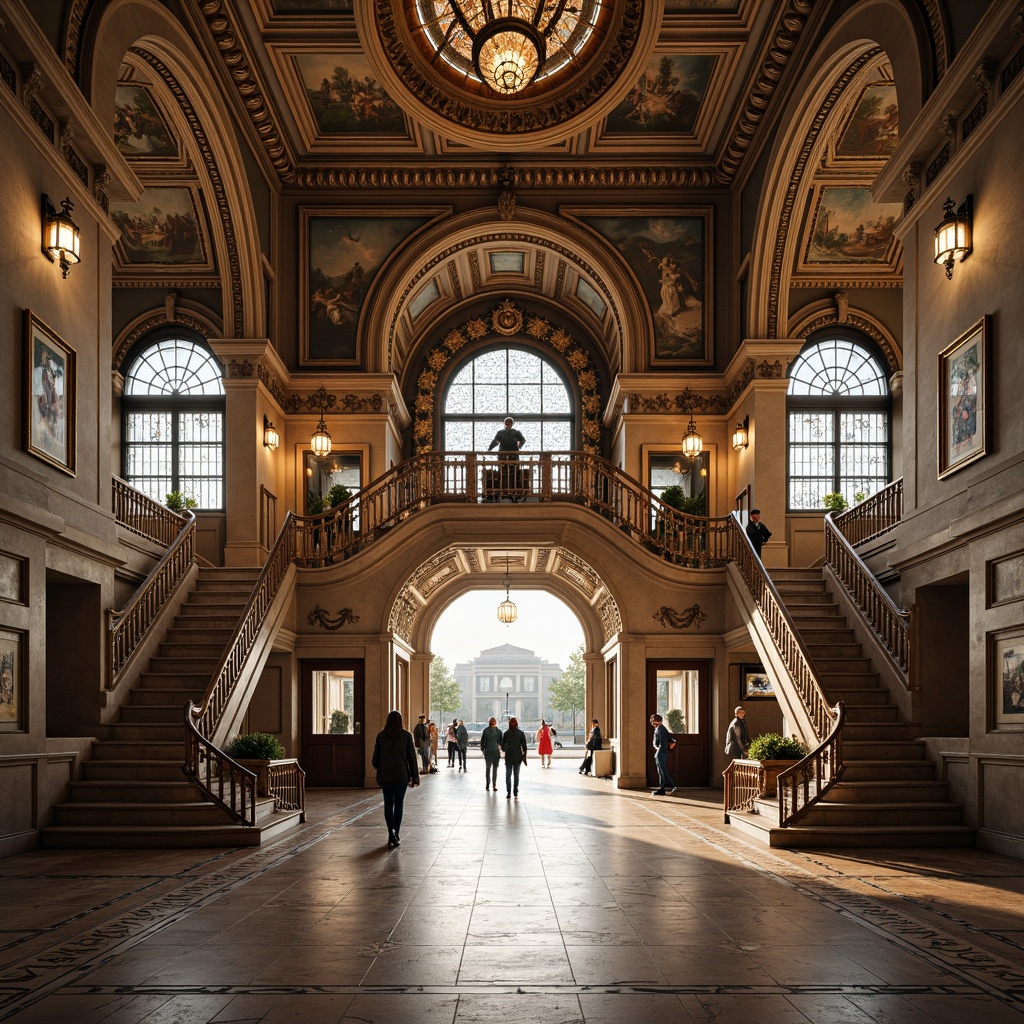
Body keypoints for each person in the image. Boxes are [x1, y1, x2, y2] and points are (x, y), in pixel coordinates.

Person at [371, 709, 420, 848]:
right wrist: (414, 777)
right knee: (399, 804)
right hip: (401, 775)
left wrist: (381, 767)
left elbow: (375, 759)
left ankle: (390, 833)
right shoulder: (406, 736)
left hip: (385, 775)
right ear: (401, 721)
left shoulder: (381, 736)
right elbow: (412, 758)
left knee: (388, 804)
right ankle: (396, 833)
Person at [487, 416, 527, 501]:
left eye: (509, 422)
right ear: (504, 423)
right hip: (504, 456)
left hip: (512, 456)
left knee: (514, 474)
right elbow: (495, 441)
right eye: (506, 422)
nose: (507, 424)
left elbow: (523, 440)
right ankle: (503, 491)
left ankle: (513, 491)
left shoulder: (516, 432)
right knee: (502, 473)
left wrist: (520, 445)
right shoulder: (500, 433)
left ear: (512, 424)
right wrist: (490, 449)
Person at [501, 715, 528, 799]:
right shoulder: (520, 733)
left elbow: (503, 746)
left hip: (509, 756)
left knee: (508, 775)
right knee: (516, 775)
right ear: (517, 724)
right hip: (518, 757)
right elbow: (524, 746)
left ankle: (508, 792)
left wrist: (506, 749)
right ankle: (515, 792)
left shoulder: (506, 733)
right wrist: (524, 755)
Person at [649, 713, 676, 796]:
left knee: (662, 770)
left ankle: (672, 786)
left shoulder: (661, 729)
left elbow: (663, 743)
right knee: (660, 771)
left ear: (655, 721)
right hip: (660, 752)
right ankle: (662, 788)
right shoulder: (659, 729)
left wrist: (659, 752)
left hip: (661, 753)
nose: (652, 722)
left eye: (652, 720)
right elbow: (671, 740)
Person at [480, 716, 503, 791]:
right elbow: (501, 742)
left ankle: (488, 784)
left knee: (488, 768)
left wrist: (483, 749)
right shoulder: (498, 731)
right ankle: (494, 785)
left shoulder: (486, 731)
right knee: (495, 769)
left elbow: (482, 741)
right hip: (495, 752)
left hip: (488, 752)